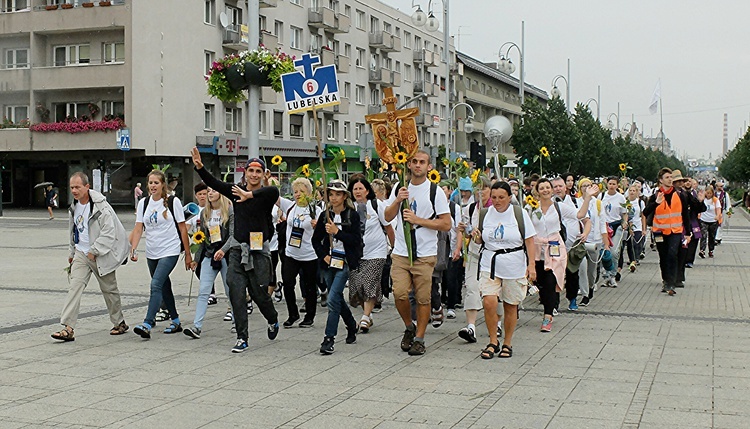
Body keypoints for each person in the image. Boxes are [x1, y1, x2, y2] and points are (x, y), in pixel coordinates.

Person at [190, 148, 280, 353]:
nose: (254, 175)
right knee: (236, 293)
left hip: (259, 252)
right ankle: (242, 337)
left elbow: (273, 192)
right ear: (245, 173)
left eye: (258, 171)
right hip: (238, 251)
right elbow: (214, 183)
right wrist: (200, 167)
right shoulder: (236, 190)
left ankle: (273, 319)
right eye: (251, 171)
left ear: (263, 174)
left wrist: (250, 195)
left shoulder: (264, 195)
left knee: (259, 294)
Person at [384, 150, 452, 355]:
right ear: (409, 164)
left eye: (422, 162)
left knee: (423, 298)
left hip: (425, 252)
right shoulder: (399, 187)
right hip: (402, 251)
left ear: (429, 166)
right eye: (414, 161)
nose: (417, 165)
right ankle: (409, 326)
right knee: (399, 293)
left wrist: (417, 220)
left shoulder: (435, 191)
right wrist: (397, 200)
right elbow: (387, 216)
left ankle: (420, 338)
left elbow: (446, 223)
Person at [51, 172, 130, 342]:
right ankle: (68, 328)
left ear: (87, 187)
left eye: (77, 187)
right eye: (72, 187)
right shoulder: (74, 206)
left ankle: (119, 322)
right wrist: (72, 252)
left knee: (109, 290)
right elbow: (73, 231)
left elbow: (109, 232)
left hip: (100, 255)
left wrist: (95, 250)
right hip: (81, 253)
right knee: (75, 287)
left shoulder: (100, 206)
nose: (74, 190)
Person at [471, 181, 536, 359]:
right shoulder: (484, 214)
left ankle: (508, 342)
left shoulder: (519, 214)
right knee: (489, 302)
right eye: (494, 197)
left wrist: (532, 265)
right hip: (489, 263)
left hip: (514, 264)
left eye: (501, 197)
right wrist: (475, 236)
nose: (498, 201)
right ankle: (493, 341)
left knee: (510, 305)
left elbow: (530, 241)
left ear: (509, 197)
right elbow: (480, 240)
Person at [129, 169, 193, 339]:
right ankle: (176, 320)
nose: (153, 186)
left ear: (163, 184)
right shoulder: (144, 203)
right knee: (164, 286)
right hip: (152, 251)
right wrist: (133, 249)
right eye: (150, 183)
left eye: (156, 183)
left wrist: (188, 254)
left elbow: (182, 228)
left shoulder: (173, 201)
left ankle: (147, 323)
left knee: (156, 284)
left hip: (170, 249)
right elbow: (138, 228)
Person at [527, 178, 587, 332]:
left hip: (554, 249)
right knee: (540, 282)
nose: (546, 190)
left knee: (550, 281)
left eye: (548, 187)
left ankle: (548, 316)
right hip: (537, 249)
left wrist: (587, 198)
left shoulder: (559, 207)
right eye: (542, 188)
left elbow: (580, 214)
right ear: (537, 191)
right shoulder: (531, 208)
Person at [313, 180, 363, 354]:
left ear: (344, 196)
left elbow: (356, 240)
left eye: (338, 194)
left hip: (345, 262)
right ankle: (351, 325)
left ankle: (329, 338)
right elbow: (315, 240)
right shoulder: (324, 215)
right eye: (331, 194)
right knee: (336, 298)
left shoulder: (352, 215)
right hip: (328, 263)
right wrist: (323, 255)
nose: (334, 198)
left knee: (333, 298)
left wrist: (337, 232)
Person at [183, 188, 235, 339]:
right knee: (203, 291)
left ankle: (236, 322)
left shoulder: (229, 211)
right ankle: (197, 326)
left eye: (213, 191)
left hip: (226, 255)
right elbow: (203, 239)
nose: (210, 194)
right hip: (209, 254)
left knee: (229, 290)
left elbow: (233, 236)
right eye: (208, 191)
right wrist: (196, 260)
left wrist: (223, 250)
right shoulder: (204, 213)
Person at [643, 168, 702, 296]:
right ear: (661, 180)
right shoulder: (655, 195)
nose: (670, 180)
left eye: (671, 177)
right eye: (667, 177)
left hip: (675, 230)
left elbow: (685, 214)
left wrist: (687, 232)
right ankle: (665, 279)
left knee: (672, 254)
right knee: (663, 256)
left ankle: (671, 282)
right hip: (659, 231)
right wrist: (655, 203)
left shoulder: (681, 195)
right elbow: (645, 212)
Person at [348, 176, 393, 333]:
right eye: (355, 189)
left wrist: (394, 247)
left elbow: (388, 227)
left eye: (361, 188)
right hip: (356, 253)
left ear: (367, 190)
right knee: (356, 286)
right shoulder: (349, 207)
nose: (358, 191)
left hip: (376, 251)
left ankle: (366, 316)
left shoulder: (376, 205)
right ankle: (367, 314)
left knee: (369, 282)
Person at [457, 177, 495, 343]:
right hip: (474, 253)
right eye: (478, 189)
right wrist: (464, 231)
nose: (481, 193)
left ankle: (497, 322)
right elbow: (465, 231)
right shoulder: (470, 208)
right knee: (472, 286)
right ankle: (471, 326)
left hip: (492, 255)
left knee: (493, 291)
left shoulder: (497, 209)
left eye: (484, 189)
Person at [281, 178, 322, 328]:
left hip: (309, 254)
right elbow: (274, 197)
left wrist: (318, 226)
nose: (298, 194)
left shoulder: (315, 210)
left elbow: (324, 230)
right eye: (295, 191)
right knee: (287, 282)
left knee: (309, 286)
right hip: (291, 253)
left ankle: (310, 315)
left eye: (302, 191)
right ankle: (293, 313)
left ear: (309, 193)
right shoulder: (291, 207)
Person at [600, 176, 629, 287]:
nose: (611, 186)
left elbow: (624, 213)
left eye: (614, 184)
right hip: (604, 227)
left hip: (616, 225)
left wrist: (624, 222)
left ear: (617, 185)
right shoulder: (602, 196)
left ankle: (612, 275)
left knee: (614, 252)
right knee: (604, 252)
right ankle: (605, 276)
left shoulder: (621, 198)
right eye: (610, 184)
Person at [624, 185, 646, 273]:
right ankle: (632, 260)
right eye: (630, 190)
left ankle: (636, 259)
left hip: (638, 225)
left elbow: (643, 216)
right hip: (628, 226)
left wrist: (644, 229)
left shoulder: (640, 202)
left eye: (634, 190)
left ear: (637, 192)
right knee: (630, 244)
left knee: (637, 242)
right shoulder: (625, 202)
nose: (632, 192)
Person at [699, 185, 722, 258]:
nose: (708, 195)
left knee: (712, 236)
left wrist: (718, 215)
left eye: (710, 193)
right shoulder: (703, 199)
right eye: (707, 193)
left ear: (712, 193)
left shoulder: (715, 200)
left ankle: (711, 250)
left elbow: (718, 209)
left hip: (713, 220)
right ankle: (702, 250)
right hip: (703, 220)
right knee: (703, 236)